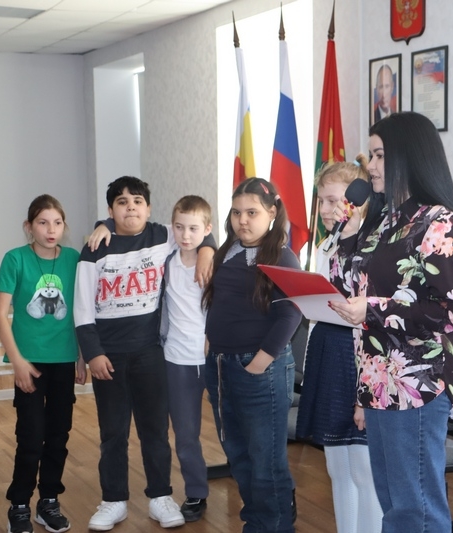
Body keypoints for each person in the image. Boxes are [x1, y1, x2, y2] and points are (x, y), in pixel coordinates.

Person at [328, 112, 453, 532]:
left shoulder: (440, 223)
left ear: (407, 156)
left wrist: (372, 309)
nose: (370, 166)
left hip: (416, 385)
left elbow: (448, 312)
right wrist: (347, 230)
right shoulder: (385, 221)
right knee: (394, 505)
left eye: (379, 155)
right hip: (378, 381)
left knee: (417, 509)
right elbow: (346, 285)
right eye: (371, 155)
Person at [73, 176, 214, 531]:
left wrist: (209, 249)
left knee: (155, 431)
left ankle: (160, 496)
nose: (130, 208)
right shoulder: (94, 249)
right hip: (108, 356)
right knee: (113, 432)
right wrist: (92, 353)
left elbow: (198, 230)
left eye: (137, 201)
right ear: (111, 210)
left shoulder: (163, 235)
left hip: (150, 353)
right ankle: (113, 500)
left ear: (149, 208)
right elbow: (82, 308)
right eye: (121, 203)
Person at [202, 177, 303, 533]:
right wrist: (210, 342)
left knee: (265, 463)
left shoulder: (282, 256)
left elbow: (291, 313)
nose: (242, 220)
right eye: (236, 212)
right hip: (220, 366)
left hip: (260, 371)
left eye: (252, 212)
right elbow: (221, 300)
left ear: (272, 213)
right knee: (239, 457)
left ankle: (273, 526)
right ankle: (257, 523)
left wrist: (260, 362)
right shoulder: (228, 249)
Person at [295, 157, 383, 533]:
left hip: (360, 356)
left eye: (334, 201)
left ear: (357, 201)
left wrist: (366, 392)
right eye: (322, 201)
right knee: (337, 466)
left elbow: (378, 318)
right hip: (329, 350)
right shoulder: (327, 246)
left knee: (364, 469)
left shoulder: (377, 248)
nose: (326, 209)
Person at [0, 194, 87, 533]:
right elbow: (0, 315)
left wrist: (81, 355)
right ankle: (19, 504)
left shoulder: (74, 259)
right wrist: (17, 360)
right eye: (43, 222)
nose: (51, 229)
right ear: (29, 226)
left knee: (58, 437)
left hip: (64, 361)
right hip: (29, 364)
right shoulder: (15, 259)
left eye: (57, 223)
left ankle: (48, 501)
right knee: (31, 438)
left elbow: (81, 310)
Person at [159, 195, 213, 522]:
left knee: (231, 431)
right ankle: (196, 492)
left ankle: (254, 489)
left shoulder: (215, 262)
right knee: (185, 434)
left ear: (207, 229)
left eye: (193, 228)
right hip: (176, 360)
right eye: (179, 227)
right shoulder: (165, 261)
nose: (185, 235)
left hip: (213, 358)